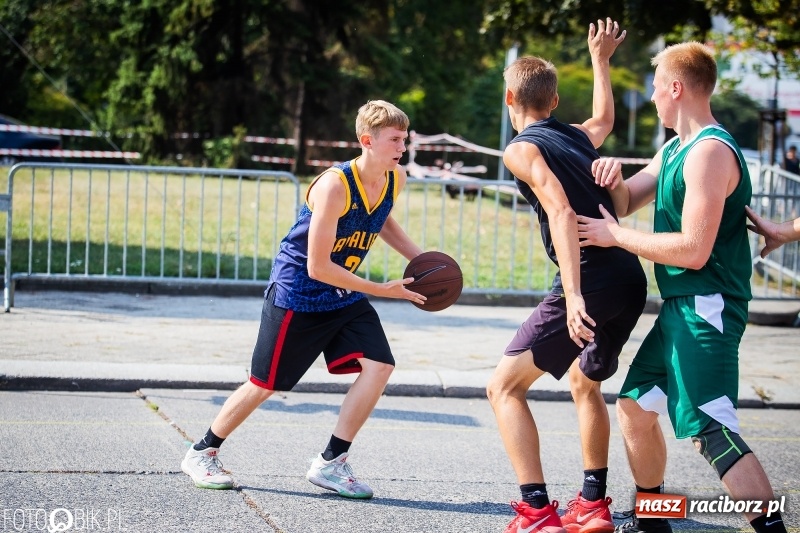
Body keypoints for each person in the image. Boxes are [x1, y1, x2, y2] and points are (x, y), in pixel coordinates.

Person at [577, 43, 788, 533]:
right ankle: (654, 521)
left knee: (713, 432)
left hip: (707, 306)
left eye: (655, 88)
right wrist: (611, 176)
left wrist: (616, 238)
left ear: (675, 88)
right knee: (634, 408)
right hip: (681, 307)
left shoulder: (710, 153)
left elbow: (693, 250)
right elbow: (627, 199)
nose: (652, 98)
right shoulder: (674, 148)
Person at [181, 100, 426, 499]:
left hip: (343, 294)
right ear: (367, 140)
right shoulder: (334, 185)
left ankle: (331, 463)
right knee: (264, 384)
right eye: (395, 139)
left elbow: (381, 222)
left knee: (379, 366)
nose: (404, 146)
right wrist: (383, 289)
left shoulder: (394, 178)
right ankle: (200, 452)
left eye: (406, 138)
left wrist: (422, 261)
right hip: (300, 293)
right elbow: (317, 267)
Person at [486, 19, 647, 533]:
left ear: (509, 95)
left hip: (593, 280)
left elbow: (559, 212)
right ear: (554, 102)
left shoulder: (520, 148)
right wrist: (601, 60)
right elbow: (603, 116)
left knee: (504, 388)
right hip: (629, 278)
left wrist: (573, 295)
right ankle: (594, 505)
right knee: (585, 382)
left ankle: (536, 512)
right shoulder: (577, 137)